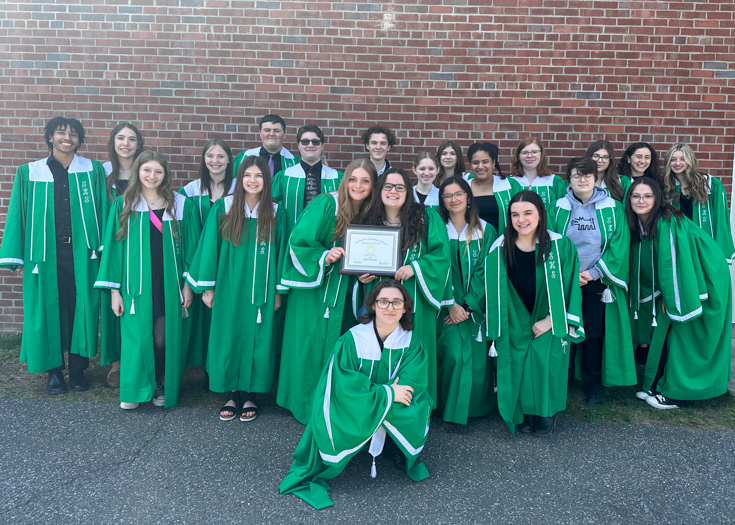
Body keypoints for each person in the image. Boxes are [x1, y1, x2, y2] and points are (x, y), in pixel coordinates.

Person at [280, 280, 431, 510]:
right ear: (372, 306)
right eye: (383, 302)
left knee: (410, 401)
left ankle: (392, 444)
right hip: (357, 401)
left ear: (405, 309)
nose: (390, 308)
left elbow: (411, 384)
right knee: (357, 403)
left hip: (390, 401)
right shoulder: (352, 341)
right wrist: (388, 392)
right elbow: (344, 387)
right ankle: (363, 441)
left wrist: (385, 395)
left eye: (397, 302)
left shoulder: (412, 344)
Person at [0, 117, 107, 394]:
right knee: (47, 310)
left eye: (73, 134)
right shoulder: (29, 172)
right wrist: (17, 257)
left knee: (81, 309)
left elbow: (105, 212)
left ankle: (79, 369)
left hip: (83, 254)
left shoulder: (92, 171)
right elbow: (17, 215)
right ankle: (55, 372)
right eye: (61, 133)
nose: (67, 138)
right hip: (44, 256)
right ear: (50, 137)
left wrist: (106, 251)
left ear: (79, 140)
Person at [95, 151, 200, 409]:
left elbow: (192, 249)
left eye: (158, 172)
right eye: (147, 170)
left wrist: (188, 285)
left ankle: (161, 382)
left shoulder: (180, 204)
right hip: (135, 284)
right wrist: (114, 292)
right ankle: (134, 388)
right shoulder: (124, 204)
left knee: (162, 339)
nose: (152, 176)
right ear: (138, 172)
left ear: (165, 175)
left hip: (169, 282)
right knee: (137, 338)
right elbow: (113, 251)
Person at [186, 156, 287, 422]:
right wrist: (208, 288)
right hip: (229, 286)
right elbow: (209, 249)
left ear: (267, 180)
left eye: (259, 176)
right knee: (227, 335)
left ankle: (251, 393)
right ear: (239, 179)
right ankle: (231, 393)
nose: (253, 181)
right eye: (247, 175)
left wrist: (277, 290)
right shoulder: (223, 207)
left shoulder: (277, 213)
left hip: (262, 291)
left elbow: (282, 255)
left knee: (260, 339)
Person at [277, 159, 377, 423]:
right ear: (345, 181)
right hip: (317, 292)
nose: (358, 185)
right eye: (353, 179)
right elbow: (298, 241)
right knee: (311, 345)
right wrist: (325, 256)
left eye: (365, 181)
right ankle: (308, 404)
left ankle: (338, 406)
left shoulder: (371, 212)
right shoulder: (326, 204)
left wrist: (368, 272)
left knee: (344, 347)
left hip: (349, 292)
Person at [483, 191, 584, 435]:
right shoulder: (500, 248)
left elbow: (570, 286)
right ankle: (526, 411)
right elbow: (489, 287)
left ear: (540, 215)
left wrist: (551, 320)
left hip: (550, 316)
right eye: (515, 214)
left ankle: (546, 412)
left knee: (543, 359)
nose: (521, 219)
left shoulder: (560, 246)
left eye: (528, 213)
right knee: (517, 360)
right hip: (515, 316)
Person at [626, 177, 732, 409]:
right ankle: (656, 384)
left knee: (684, 331)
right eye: (636, 196)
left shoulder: (667, 221)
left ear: (657, 198)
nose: (641, 200)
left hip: (704, 277)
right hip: (688, 276)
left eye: (647, 196)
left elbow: (673, 263)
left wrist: (673, 296)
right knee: (667, 330)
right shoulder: (641, 222)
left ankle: (677, 393)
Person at [547, 157, 636, 405]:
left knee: (595, 335)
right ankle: (561, 379)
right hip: (565, 280)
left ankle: (593, 382)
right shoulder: (558, 207)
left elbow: (619, 245)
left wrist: (593, 273)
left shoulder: (612, 207)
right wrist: (570, 275)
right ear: (570, 179)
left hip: (596, 280)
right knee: (564, 330)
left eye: (587, 175)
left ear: (596, 178)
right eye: (577, 175)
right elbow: (551, 243)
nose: (583, 180)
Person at [365, 168, 452, 409]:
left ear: (408, 191)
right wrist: (362, 275)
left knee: (414, 345)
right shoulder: (369, 218)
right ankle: (380, 401)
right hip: (379, 295)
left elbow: (441, 254)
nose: (393, 192)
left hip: (414, 295)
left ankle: (417, 404)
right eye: (388, 187)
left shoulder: (426, 217)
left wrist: (416, 267)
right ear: (379, 190)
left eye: (400, 187)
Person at [436, 177, 497, 424]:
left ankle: (475, 408)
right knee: (452, 355)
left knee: (476, 359)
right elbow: (436, 269)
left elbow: (488, 269)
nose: (454, 199)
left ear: (468, 196)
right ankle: (445, 408)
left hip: (475, 310)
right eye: (447, 196)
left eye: (458, 193)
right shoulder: (438, 229)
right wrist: (451, 303)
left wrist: (469, 305)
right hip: (445, 308)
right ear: (442, 201)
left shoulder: (485, 230)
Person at [179, 139, 236, 374]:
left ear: (229, 160)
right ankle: (203, 368)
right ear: (204, 159)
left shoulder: (239, 188)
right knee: (200, 317)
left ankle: (220, 368)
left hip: (229, 261)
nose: (215, 161)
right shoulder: (191, 191)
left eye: (221, 156)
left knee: (222, 315)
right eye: (210, 156)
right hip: (198, 261)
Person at [102, 122, 145, 388]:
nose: (126, 143)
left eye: (131, 139)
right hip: (111, 246)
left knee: (136, 307)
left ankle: (138, 360)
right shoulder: (101, 173)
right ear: (113, 142)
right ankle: (116, 365)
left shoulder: (147, 172)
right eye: (120, 138)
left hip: (139, 247)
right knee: (112, 309)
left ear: (139, 144)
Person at [619, 142, 660, 363]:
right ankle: (630, 342)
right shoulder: (619, 182)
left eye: (647, 157)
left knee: (648, 289)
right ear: (628, 158)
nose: (642, 161)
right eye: (638, 156)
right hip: (628, 240)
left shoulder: (657, 184)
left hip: (649, 242)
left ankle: (645, 344)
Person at [662, 143, 734, 264]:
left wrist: (721, 251)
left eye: (682, 159)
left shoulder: (710, 184)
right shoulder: (666, 187)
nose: (677, 163)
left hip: (704, 243)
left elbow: (721, 219)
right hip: (680, 244)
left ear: (690, 160)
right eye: (673, 159)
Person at [271, 124, 342, 232]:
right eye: (305, 141)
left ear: (322, 146)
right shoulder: (284, 177)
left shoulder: (337, 177)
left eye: (315, 142)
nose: (310, 145)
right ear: (298, 145)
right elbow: (273, 209)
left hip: (326, 238)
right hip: (291, 235)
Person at [465, 142, 522, 234]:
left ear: (494, 162)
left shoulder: (509, 186)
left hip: (504, 243)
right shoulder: (463, 188)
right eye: (475, 162)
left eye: (485, 162)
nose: (480, 166)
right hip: (474, 244)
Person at [231, 114, 300, 176]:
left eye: (276, 131)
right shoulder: (243, 157)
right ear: (260, 133)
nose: (272, 134)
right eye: (267, 130)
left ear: (284, 134)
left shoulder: (295, 162)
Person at [510, 137, 567, 206]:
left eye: (534, 152)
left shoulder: (555, 181)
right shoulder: (510, 182)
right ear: (518, 156)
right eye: (525, 153)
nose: (529, 156)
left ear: (541, 155)